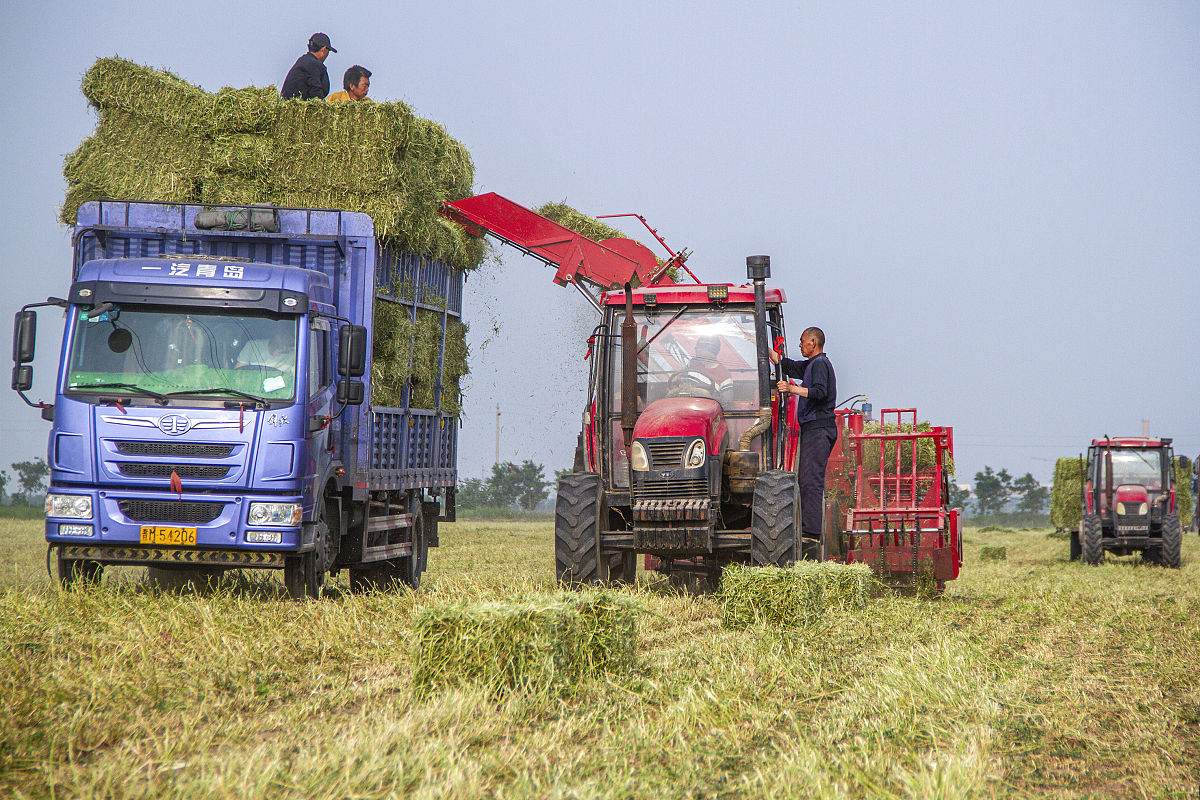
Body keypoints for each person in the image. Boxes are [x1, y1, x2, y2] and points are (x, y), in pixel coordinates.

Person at [770, 326, 837, 557]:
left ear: (813, 343)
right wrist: (765, 349)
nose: (800, 345)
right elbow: (789, 365)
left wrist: (791, 388)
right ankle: (807, 530)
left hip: (819, 427)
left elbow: (819, 392)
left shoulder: (820, 365)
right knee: (805, 478)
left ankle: (811, 535)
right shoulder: (811, 365)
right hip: (814, 428)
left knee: (811, 480)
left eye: (802, 342)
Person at [281, 33, 336, 100]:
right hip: (299, 108)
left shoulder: (303, 61)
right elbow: (316, 92)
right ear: (324, 49)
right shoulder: (314, 65)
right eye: (328, 51)